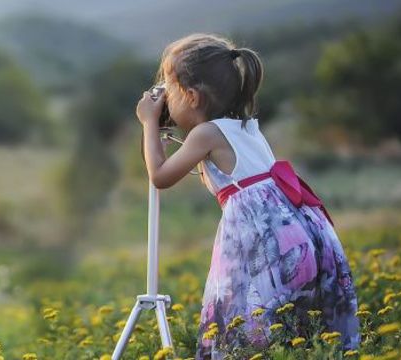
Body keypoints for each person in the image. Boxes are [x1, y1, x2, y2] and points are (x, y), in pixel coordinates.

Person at [135, 33, 358, 359]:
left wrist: (148, 124)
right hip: (300, 235)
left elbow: (159, 176)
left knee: (245, 323)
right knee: (292, 325)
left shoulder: (205, 134)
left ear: (192, 96)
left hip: (261, 244)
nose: (164, 98)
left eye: (169, 89)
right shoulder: (245, 126)